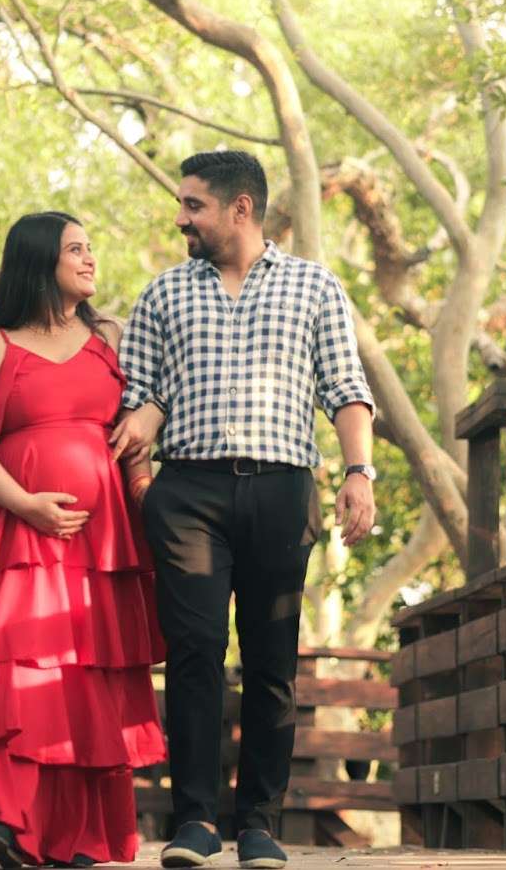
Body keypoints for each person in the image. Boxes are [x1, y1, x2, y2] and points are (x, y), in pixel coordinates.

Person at [110, 151, 378, 870]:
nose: (180, 218)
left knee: (271, 663)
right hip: (188, 493)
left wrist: (359, 474)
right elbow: (135, 403)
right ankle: (194, 822)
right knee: (194, 658)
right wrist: (144, 484)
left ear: (240, 208)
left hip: (282, 488)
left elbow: (346, 388)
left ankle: (258, 823)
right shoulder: (163, 294)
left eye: (193, 205)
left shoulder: (314, 286)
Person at [0, 211, 167, 868]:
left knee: (91, 680)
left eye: (91, 247)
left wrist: (147, 414)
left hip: (104, 539)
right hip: (19, 534)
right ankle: (13, 821)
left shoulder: (111, 335)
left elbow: (161, 395)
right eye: (75, 249)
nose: (89, 259)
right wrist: (27, 504)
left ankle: (81, 837)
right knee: (23, 671)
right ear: (39, 261)